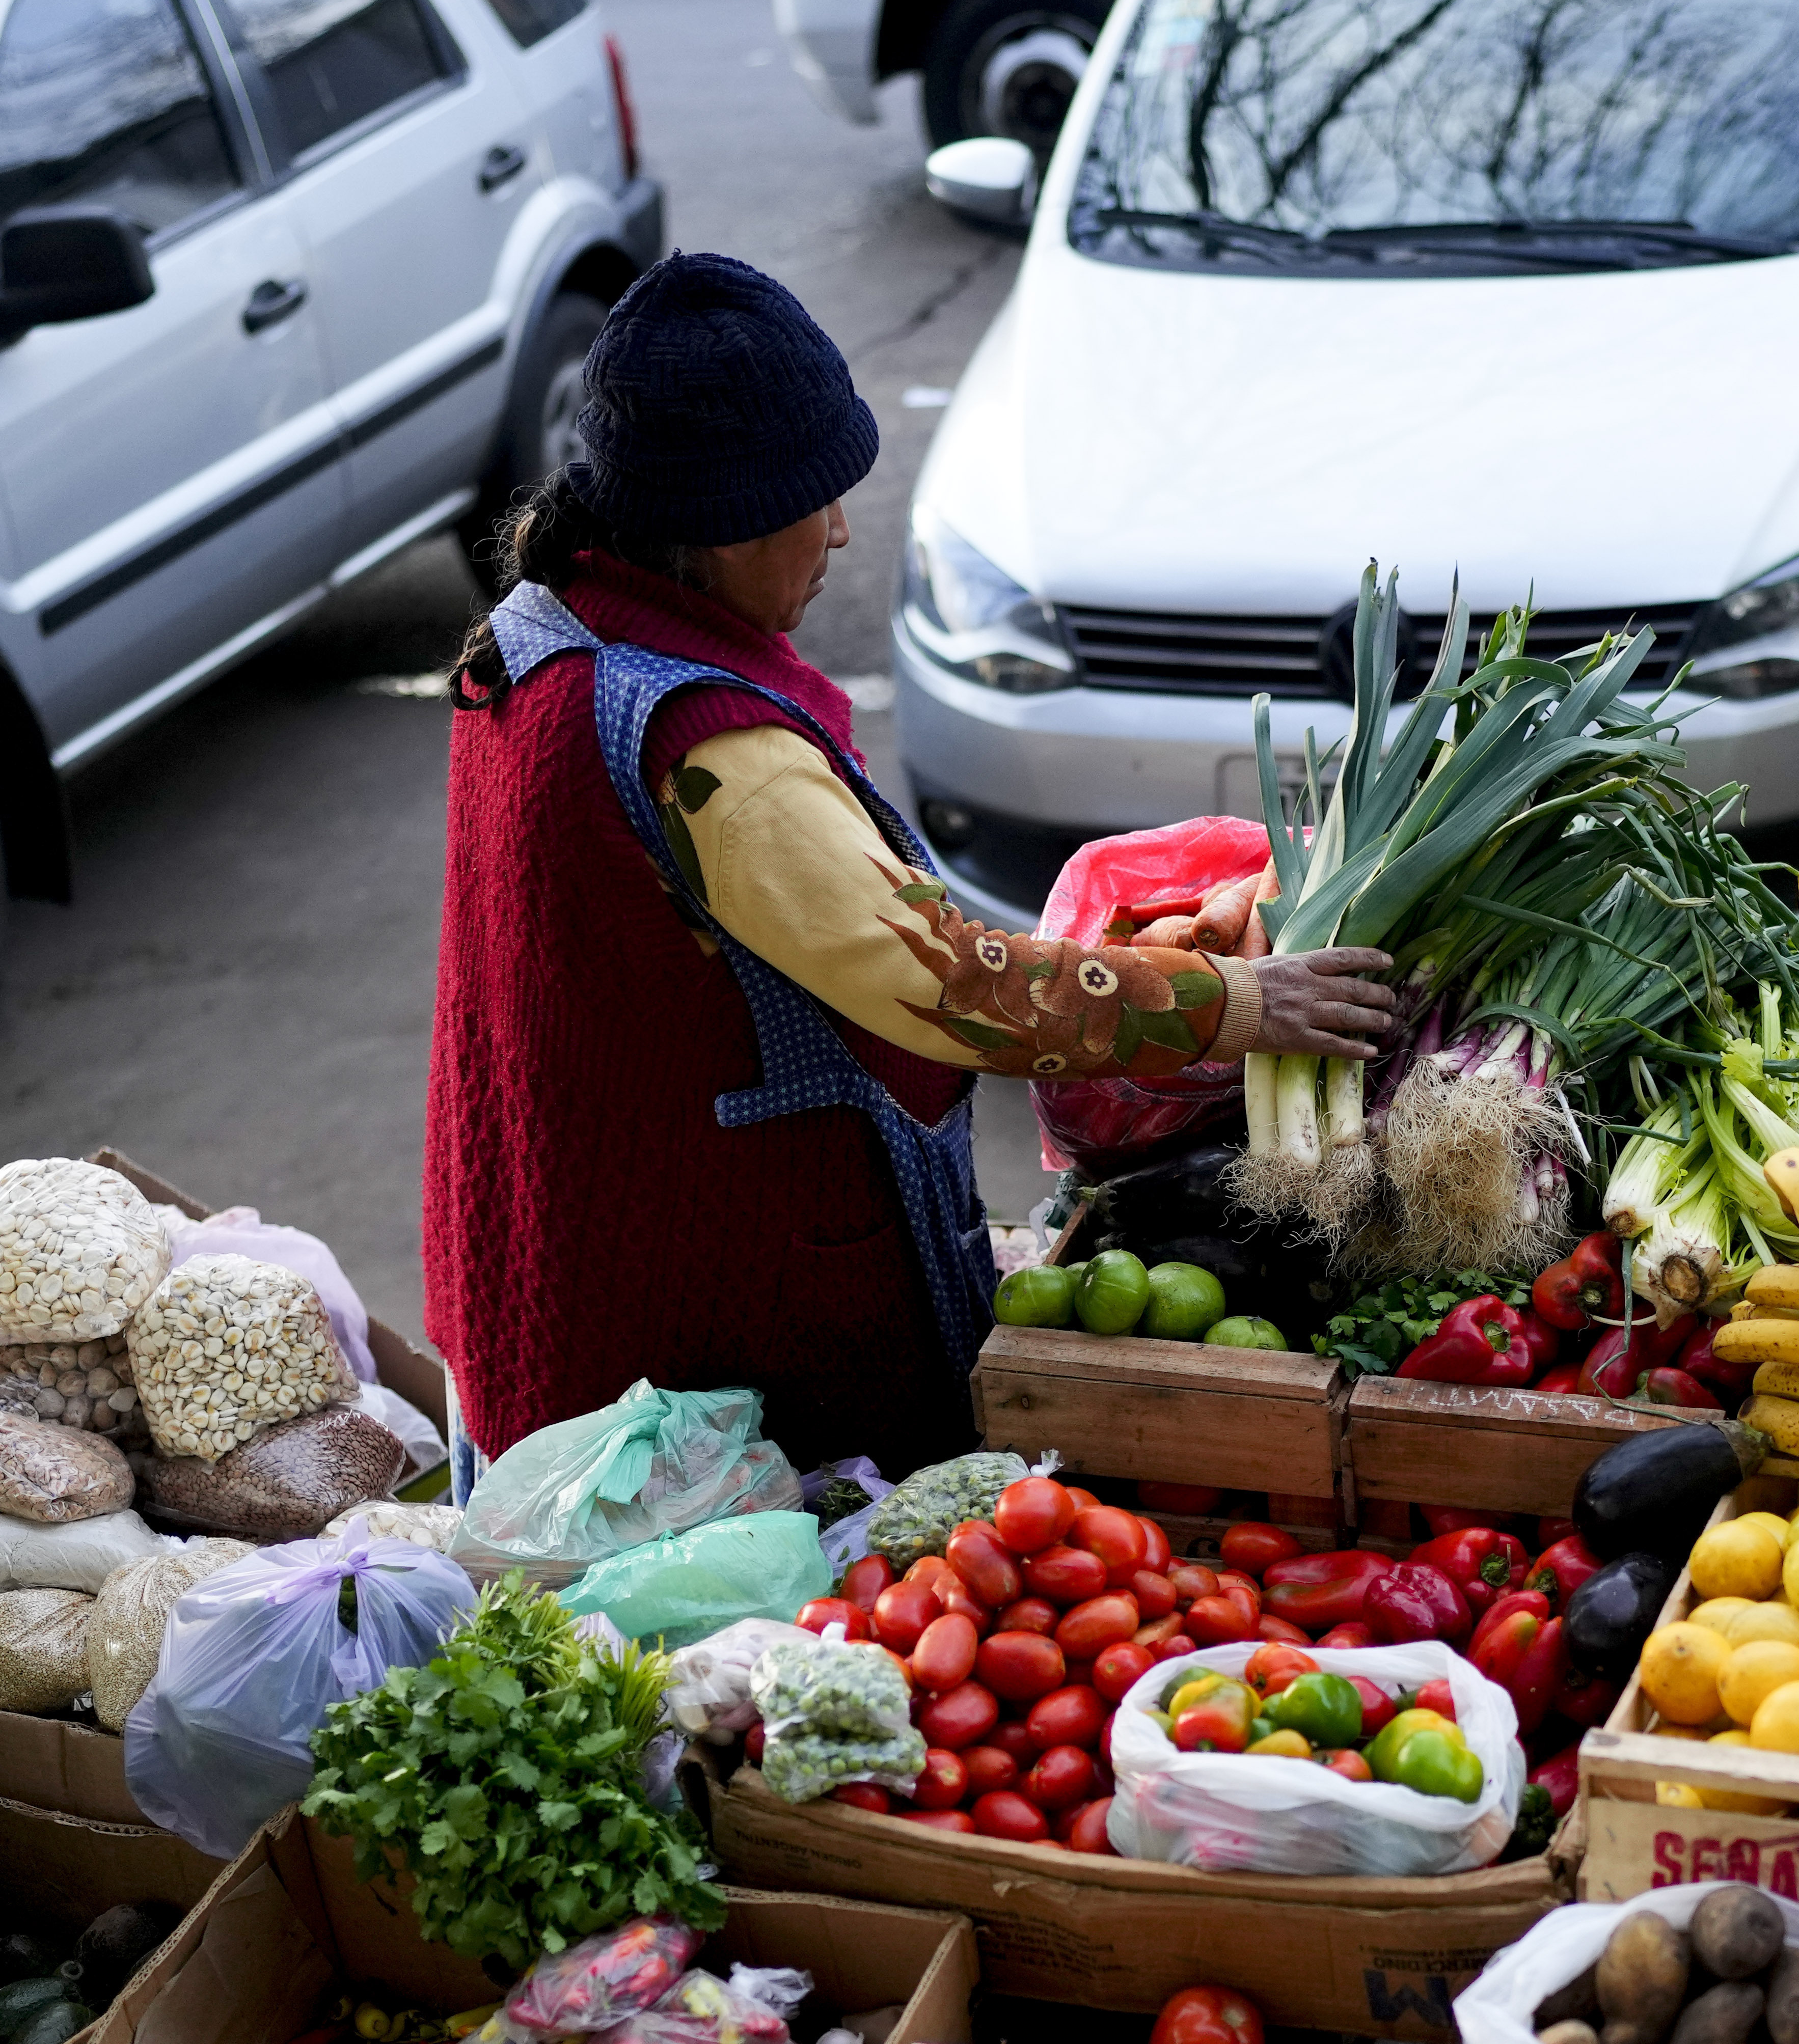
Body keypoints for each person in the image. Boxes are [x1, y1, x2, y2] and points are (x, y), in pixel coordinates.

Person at [427, 254, 1398, 1466]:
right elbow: (956, 988)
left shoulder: (539, 631)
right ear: (714, 529)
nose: (841, 531)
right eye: (812, 502)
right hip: (708, 1305)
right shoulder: (711, 752)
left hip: (549, 1226)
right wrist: (1239, 1002)